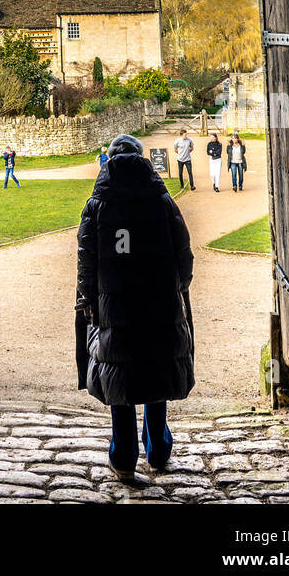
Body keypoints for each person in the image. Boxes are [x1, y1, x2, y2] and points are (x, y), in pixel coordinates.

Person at [76, 134, 194, 481]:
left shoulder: (97, 205)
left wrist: (87, 298)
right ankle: (158, 450)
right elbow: (183, 251)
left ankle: (124, 455)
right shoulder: (161, 200)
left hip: (114, 304)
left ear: (109, 160)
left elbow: (87, 259)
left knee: (120, 372)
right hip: (158, 300)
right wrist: (179, 285)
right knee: (156, 367)